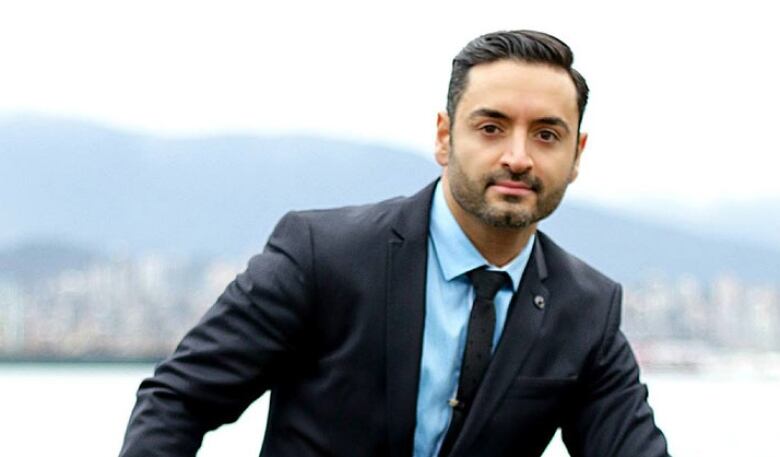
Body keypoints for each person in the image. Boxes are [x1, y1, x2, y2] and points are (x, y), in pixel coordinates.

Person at [119, 30, 670, 457]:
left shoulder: (586, 308)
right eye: (491, 127)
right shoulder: (322, 255)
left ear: (577, 155)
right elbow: (178, 402)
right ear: (443, 135)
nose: (518, 157)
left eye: (547, 135)